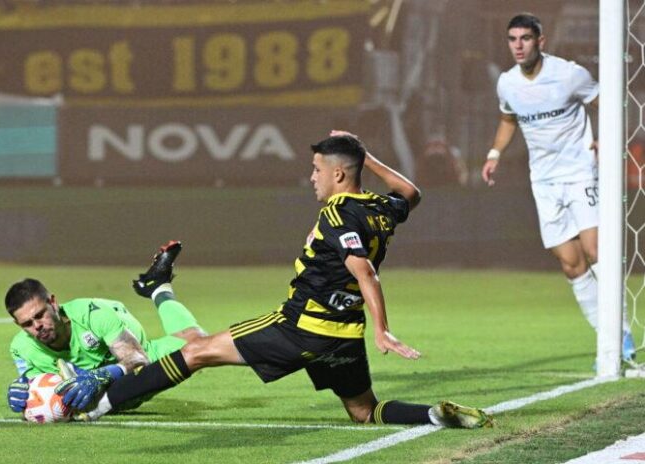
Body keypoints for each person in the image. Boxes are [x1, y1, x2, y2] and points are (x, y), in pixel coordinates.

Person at [70, 131, 493, 429]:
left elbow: (363, 270)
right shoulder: (378, 208)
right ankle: (433, 415)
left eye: (317, 169)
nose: (312, 177)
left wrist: (384, 330)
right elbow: (412, 193)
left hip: (300, 326)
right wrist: (365, 156)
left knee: (195, 351)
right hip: (343, 334)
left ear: (338, 175)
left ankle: (97, 406)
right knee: (364, 411)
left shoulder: (337, 214)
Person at [481, 13, 636, 363]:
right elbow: (508, 118)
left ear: (541, 41)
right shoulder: (507, 83)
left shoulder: (569, 75)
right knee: (571, 264)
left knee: (597, 250)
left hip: (580, 172)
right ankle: (610, 335)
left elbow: (609, 104)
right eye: (512, 39)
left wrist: (606, 138)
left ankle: (620, 336)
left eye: (525, 38)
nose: (518, 46)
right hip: (544, 181)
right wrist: (494, 154)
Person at [6, 240, 206, 413]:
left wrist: (102, 375)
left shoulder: (92, 316)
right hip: (109, 377)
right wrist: (23, 395)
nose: (37, 326)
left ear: (53, 303)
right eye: (27, 324)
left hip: (133, 347)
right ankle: (159, 284)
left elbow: (138, 360)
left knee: (199, 345)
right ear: (18, 324)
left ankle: (158, 289)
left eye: (40, 315)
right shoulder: (21, 348)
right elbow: (37, 389)